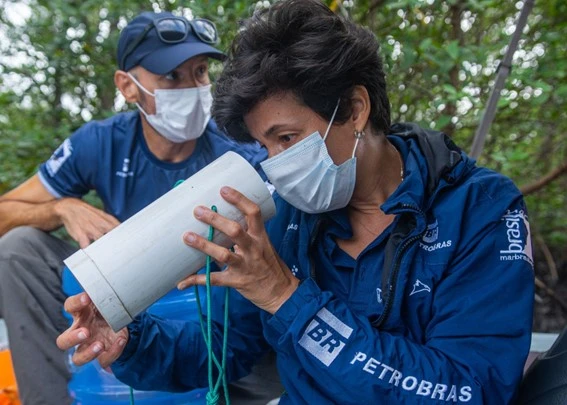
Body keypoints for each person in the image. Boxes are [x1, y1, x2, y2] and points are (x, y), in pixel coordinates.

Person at [57, 1, 535, 403]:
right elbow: (224, 347)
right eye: (265, 147)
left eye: (287, 137)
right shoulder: (287, 215)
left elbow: (470, 389)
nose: (277, 164)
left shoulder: (481, 210)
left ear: (353, 109)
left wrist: (288, 299)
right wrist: (130, 341)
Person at [0, 10, 284, 405]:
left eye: (200, 72)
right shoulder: (101, 143)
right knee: (17, 250)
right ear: (127, 86)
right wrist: (60, 208)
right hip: (118, 286)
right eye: (171, 77)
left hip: (208, 304)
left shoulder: (236, 156)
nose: (192, 87)